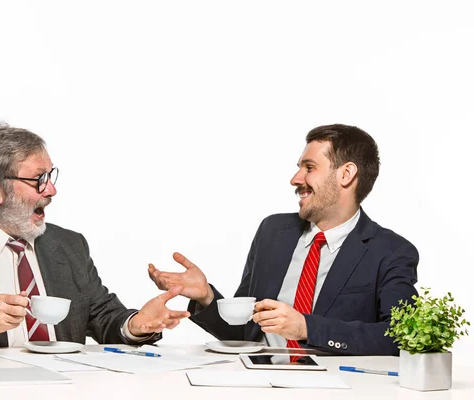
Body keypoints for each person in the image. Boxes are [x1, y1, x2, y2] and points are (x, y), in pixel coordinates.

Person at [0, 123, 189, 357]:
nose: (51, 190)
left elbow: (102, 316)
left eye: (50, 176)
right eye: (37, 179)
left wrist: (134, 325)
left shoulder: (69, 245)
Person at [148, 124, 418, 356]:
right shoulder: (273, 232)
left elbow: (400, 339)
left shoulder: (391, 252)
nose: (295, 179)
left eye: (309, 167)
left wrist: (306, 328)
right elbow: (245, 332)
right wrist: (207, 297)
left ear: (346, 174)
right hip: (257, 381)